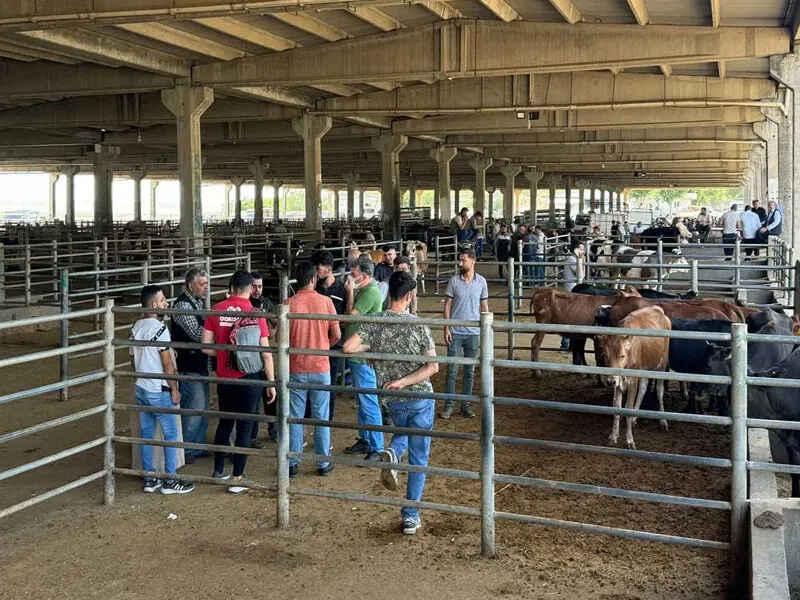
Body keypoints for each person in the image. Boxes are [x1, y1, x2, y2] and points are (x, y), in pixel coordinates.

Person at [343, 271, 438, 536]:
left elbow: (348, 347)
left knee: (403, 431)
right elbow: (433, 366)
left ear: (389, 293)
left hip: (392, 399)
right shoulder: (417, 325)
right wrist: (406, 381)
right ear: (409, 295)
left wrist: (373, 350)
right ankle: (410, 515)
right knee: (419, 457)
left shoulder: (376, 322)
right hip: (419, 396)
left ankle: (394, 453)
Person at [202, 271, 275, 493]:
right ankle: (237, 477)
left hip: (225, 376)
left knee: (225, 422)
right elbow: (266, 352)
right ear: (251, 289)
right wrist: (271, 382)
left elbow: (205, 346)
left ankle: (218, 470)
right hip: (250, 376)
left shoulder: (216, 310)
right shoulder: (256, 313)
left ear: (231, 287)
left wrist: (226, 356)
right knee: (245, 425)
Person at [131, 285, 194, 495]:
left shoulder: (135, 327)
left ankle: (150, 478)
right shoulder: (160, 329)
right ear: (153, 304)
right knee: (170, 433)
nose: (166, 303)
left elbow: (133, 359)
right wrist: (174, 388)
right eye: (163, 299)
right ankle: (170, 480)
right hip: (158, 389)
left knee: (147, 433)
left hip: (141, 387)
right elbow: (167, 364)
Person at [286, 261, 341, 478]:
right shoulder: (326, 302)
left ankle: (293, 462)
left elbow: (281, 338)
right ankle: (322, 463)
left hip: (297, 367)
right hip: (320, 366)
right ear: (313, 280)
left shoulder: (288, 304)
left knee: (295, 417)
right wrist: (323, 346)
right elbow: (336, 335)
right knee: (321, 416)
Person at [343, 254, 385, 460]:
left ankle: (376, 446)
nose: (352, 276)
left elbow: (352, 314)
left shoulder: (369, 293)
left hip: (362, 353)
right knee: (363, 398)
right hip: (358, 352)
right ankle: (366, 438)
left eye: (355, 273)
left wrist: (350, 291)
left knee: (368, 400)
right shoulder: (367, 290)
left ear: (364, 275)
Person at [442, 248, 489, 419]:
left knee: (469, 370)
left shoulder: (481, 282)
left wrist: (485, 329)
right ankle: (449, 404)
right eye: (460, 260)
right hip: (455, 330)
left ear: (472, 261)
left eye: (463, 260)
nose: (460, 263)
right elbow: (447, 304)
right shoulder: (454, 281)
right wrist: (446, 327)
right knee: (452, 370)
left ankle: (465, 404)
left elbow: (484, 307)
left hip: (473, 332)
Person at [170, 267, 210, 464]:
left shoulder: (196, 303)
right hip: (188, 365)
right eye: (202, 284)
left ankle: (197, 446)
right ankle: (186, 450)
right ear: (189, 285)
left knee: (201, 409)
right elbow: (197, 335)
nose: (206, 288)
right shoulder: (183, 306)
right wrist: (214, 329)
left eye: (206, 284)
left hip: (199, 364)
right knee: (194, 409)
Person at [313, 251, 347, 421]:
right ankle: (313, 416)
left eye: (318, 268)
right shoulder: (315, 288)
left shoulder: (342, 288)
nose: (316, 272)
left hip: (334, 342)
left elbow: (347, 314)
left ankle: (328, 417)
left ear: (328, 269)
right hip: (317, 341)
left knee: (331, 382)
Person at [249, 271, 278, 447]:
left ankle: (273, 427)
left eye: (260, 286)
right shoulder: (245, 303)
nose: (257, 290)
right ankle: (252, 436)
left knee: (269, 392)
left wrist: (270, 331)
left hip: (263, 354)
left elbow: (277, 319)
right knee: (253, 397)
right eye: (254, 286)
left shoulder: (265, 303)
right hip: (251, 356)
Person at [560, 240, 585, 350]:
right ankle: (565, 345)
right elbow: (580, 274)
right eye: (581, 249)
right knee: (571, 318)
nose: (583, 251)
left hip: (573, 289)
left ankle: (568, 345)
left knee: (573, 318)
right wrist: (582, 261)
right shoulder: (571, 259)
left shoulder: (573, 259)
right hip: (572, 290)